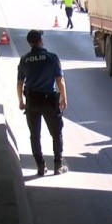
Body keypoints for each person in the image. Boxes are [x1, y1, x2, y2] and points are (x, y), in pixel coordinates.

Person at [17, 30, 69, 176]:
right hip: (48, 100)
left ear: (29, 43)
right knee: (56, 133)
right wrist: (63, 97)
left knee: (34, 134)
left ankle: (40, 166)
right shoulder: (51, 57)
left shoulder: (24, 59)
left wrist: (21, 101)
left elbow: (20, 83)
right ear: (40, 41)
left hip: (32, 101)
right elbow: (60, 80)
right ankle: (58, 165)